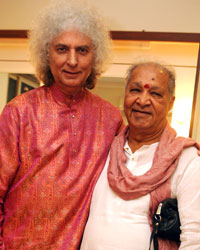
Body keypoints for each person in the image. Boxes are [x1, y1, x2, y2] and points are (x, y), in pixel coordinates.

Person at [0, 0, 124, 249]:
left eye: (82, 50)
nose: (72, 61)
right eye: (61, 49)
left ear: (95, 56)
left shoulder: (111, 119)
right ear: (47, 53)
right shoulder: (19, 112)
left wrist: (176, 146)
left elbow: (135, 168)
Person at [80, 62, 200, 250]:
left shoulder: (185, 158)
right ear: (125, 95)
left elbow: (195, 239)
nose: (143, 101)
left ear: (171, 103)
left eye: (155, 94)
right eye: (135, 90)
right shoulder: (104, 147)